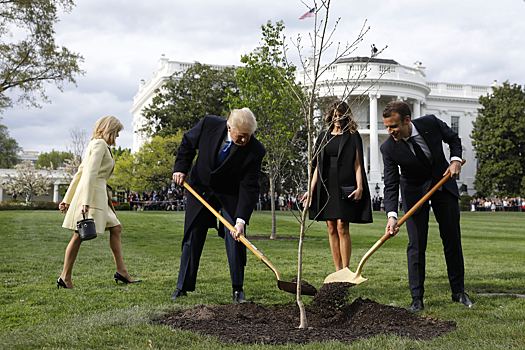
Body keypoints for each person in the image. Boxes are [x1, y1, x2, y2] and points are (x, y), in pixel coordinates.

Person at [380, 101, 472, 312]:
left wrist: (455, 159)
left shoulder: (430, 122)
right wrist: (392, 215)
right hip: (413, 193)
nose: (390, 131)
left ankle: (458, 292)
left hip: (442, 182)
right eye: (386, 126)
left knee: (451, 239)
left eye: (393, 126)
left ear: (407, 120)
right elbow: (391, 183)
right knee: (416, 244)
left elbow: (453, 138)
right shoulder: (388, 148)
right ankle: (417, 298)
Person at [170, 108, 265, 303]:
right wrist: (181, 168)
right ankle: (182, 287)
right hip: (200, 189)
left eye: (248, 136)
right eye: (241, 136)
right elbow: (187, 143)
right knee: (192, 236)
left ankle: (238, 289)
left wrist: (240, 221)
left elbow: (249, 186)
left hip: (231, 194)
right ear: (229, 127)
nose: (245, 140)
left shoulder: (256, 150)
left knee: (237, 238)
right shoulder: (208, 125)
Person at [58, 116, 140, 289]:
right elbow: (87, 175)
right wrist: (83, 202)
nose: (118, 136)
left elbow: (80, 173)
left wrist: (67, 199)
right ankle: (65, 278)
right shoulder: (99, 145)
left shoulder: (97, 145)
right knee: (79, 234)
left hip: (99, 197)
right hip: (93, 197)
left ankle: (121, 271)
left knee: (116, 228)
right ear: (109, 129)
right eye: (117, 131)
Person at [303, 101, 372, 272]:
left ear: (346, 116)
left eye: (341, 116)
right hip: (326, 186)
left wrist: (360, 187)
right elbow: (317, 166)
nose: (338, 119)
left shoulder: (352, 135)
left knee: (342, 226)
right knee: (331, 227)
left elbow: (357, 164)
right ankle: (337, 269)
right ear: (331, 116)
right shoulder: (323, 137)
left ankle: (346, 270)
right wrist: (310, 191)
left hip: (345, 185)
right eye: (335, 116)